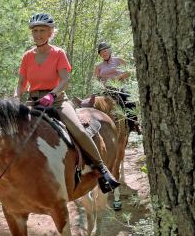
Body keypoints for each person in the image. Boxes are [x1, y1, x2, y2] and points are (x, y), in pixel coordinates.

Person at [14, 13, 120, 193]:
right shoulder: (27, 57)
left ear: (50, 33)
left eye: (42, 30)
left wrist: (52, 95)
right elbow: (21, 84)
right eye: (35, 31)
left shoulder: (58, 53)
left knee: (78, 130)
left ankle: (102, 170)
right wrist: (15, 97)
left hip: (57, 101)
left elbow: (64, 80)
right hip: (33, 101)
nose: (38, 34)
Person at [95, 42, 142, 134]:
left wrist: (119, 77)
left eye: (105, 51)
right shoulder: (98, 66)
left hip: (119, 86)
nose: (104, 53)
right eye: (101, 52)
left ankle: (133, 124)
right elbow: (97, 79)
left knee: (129, 100)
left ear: (109, 51)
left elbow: (129, 72)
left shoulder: (118, 60)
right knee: (92, 101)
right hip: (106, 89)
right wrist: (100, 86)